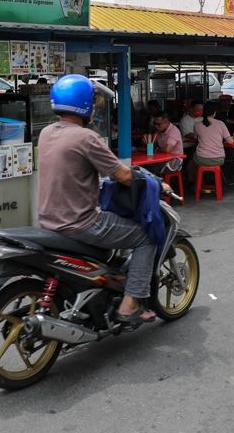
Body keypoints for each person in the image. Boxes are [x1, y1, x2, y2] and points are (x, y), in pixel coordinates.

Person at [37, 75, 161, 326]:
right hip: (82, 223)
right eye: (93, 102)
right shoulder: (86, 137)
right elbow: (123, 175)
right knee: (146, 237)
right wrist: (156, 182)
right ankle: (130, 303)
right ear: (86, 105)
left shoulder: (46, 132)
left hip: (48, 221)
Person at [190, 101, 234, 181]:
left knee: (191, 161)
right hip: (218, 159)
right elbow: (230, 141)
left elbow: (195, 138)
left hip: (201, 159)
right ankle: (215, 181)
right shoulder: (220, 123)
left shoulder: (197, 124)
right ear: (215, 112)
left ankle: (196, 183)